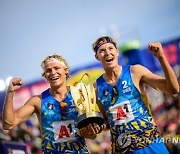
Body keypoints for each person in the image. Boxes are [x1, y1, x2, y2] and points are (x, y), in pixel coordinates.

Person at [88, 36, 179, 153]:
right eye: (102, 50)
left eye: (110, 48)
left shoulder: (135, 71)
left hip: (150, 143)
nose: (107, 53)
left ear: (117, 52)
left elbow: (173, 89)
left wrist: (161, 57)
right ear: (97, 57)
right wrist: (98, 126)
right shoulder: (96, 88)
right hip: (123, 149)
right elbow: (107, 120)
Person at [2, 54, 96, 154]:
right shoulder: (38, 101)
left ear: (66, 71)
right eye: (48, 70)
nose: (53, 73)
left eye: (56, 68)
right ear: (45, 76)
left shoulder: (80, 94)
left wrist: (90, 131)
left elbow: (92, 135)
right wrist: (10, 92)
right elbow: (8, 124)